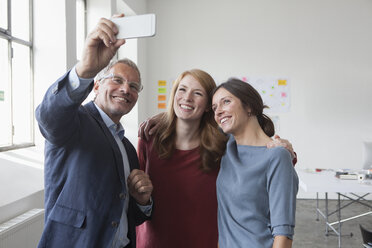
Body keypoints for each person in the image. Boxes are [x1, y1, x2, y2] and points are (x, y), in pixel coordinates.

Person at [136, 70, 297, 248]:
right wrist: (164, 117)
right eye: (215, 108)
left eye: (197, 93)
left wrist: (287, 152)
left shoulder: (227, 146)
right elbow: (134, 197)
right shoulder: (151, 139)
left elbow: (283, 230)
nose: (187, 97)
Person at [35, 14, 153, 248]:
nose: (125, 89)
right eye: (116, 80)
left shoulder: (128, 148)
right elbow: (48, 117)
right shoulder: (74, 121)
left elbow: (126, 217)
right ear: (97, 85)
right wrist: (85, 70)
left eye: (133, 86)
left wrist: (143, 201)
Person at [212, 78, 299, 248]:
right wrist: (156, 121)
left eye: (226, 102)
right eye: (214, 108)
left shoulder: (277, 156)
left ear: (249, 106)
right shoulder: (225, 147)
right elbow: (189, 119)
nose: (218, 112)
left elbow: (283, 234)